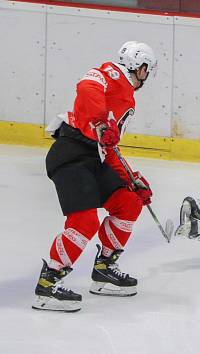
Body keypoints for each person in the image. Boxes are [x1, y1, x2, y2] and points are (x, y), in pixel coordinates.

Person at [33, 41, 158, 312]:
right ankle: (48, 284)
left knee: (128, 200)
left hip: (93, 157)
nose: (147, 77)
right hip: (71, 154)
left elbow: (109, 146)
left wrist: (130, 178)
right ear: (142, 67)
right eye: (148, 71)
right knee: (85, 221)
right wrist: (101, 122)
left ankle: (104, 269)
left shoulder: (127, 98)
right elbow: (86, 88)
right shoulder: (111, 73)